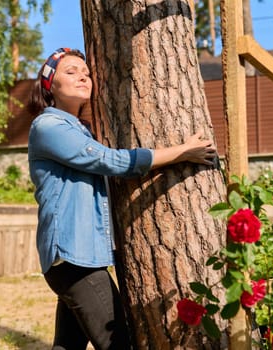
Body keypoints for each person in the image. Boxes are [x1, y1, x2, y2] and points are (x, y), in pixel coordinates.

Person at [28, 47, 217, 350]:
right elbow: (111, 161)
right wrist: (182, 152)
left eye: (86, 73)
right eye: (71, 71)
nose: (83, 77)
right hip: (74, 258)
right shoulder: (49, 126)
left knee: (68, 345)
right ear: (50, 85)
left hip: (74, 259)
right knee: (118, 344)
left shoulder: (81, 130)